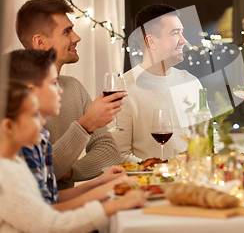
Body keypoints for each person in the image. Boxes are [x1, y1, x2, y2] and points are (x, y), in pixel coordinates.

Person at [0, 81, 146, 232]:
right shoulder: (6, 173)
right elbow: (49, 224)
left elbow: (46, 202)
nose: (43, 122)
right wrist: (114, 205)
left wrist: (98, 184)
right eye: (34, 116)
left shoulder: (16, 163)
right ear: (8, 126)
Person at [8, 49, 141, 211]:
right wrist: (108, 199)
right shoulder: (15, 144)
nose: (61, 90)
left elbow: (49, 200)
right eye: (53, 82)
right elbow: (43, 218)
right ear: (31, 90)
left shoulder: (39, 136)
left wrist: (98, 184)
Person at [16, 0, 124, 189]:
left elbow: (109, 151)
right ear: (40, 42)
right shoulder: (13, 97)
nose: (76, 37)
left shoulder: (72, 87)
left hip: (64, 206)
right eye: (66, 31)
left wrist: (71, 172)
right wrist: (86, 124)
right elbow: (38, 170)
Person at [112, 4, 203, 163]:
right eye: (175, 33)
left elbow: (209, 137)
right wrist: (167, 169)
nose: (183, 40)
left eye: (182, 33)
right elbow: (118, 155)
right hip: (147, 185)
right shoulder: (122, 88)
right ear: (151, 41)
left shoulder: (191, 82)